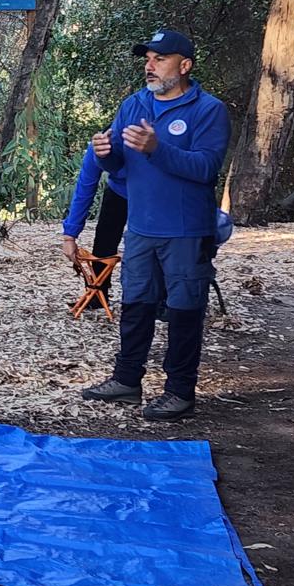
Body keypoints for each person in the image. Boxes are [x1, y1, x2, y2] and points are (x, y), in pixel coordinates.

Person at [82, 30, 230, 421]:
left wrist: (157, 149)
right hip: (142, 228)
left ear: (184, 66)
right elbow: (121, 169)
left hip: (185, 230)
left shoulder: (208, 110)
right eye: (148, 58)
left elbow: (205, 168)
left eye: (160, 59)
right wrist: (105, 157)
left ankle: (180, 391)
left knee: (183, 309)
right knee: (136, 304)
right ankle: (126, 380)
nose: (150, 66)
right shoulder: (133, 105)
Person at [60, 144, 129, 312]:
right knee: (103, 243)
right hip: (119, 190)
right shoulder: (98, 146)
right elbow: (84, 189)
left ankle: (162, 300)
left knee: (152, 244)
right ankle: (97, 294)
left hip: (155, 192)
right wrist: (70, 236)